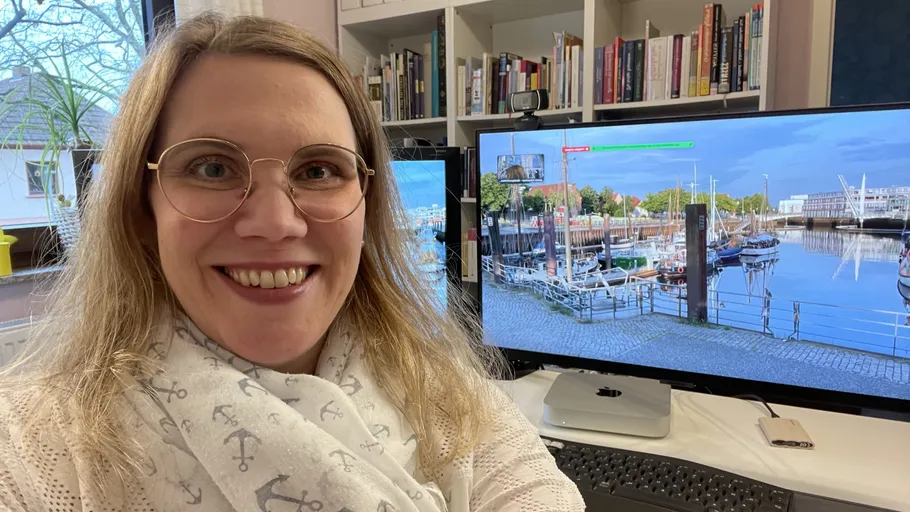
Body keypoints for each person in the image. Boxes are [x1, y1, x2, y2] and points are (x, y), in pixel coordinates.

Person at [0, 13, 584, 512]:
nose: (277, 223)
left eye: (318, 170)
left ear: (366, 204)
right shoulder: (30, 448)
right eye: (212, 167)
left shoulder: (448, 393)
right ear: (140, 210)